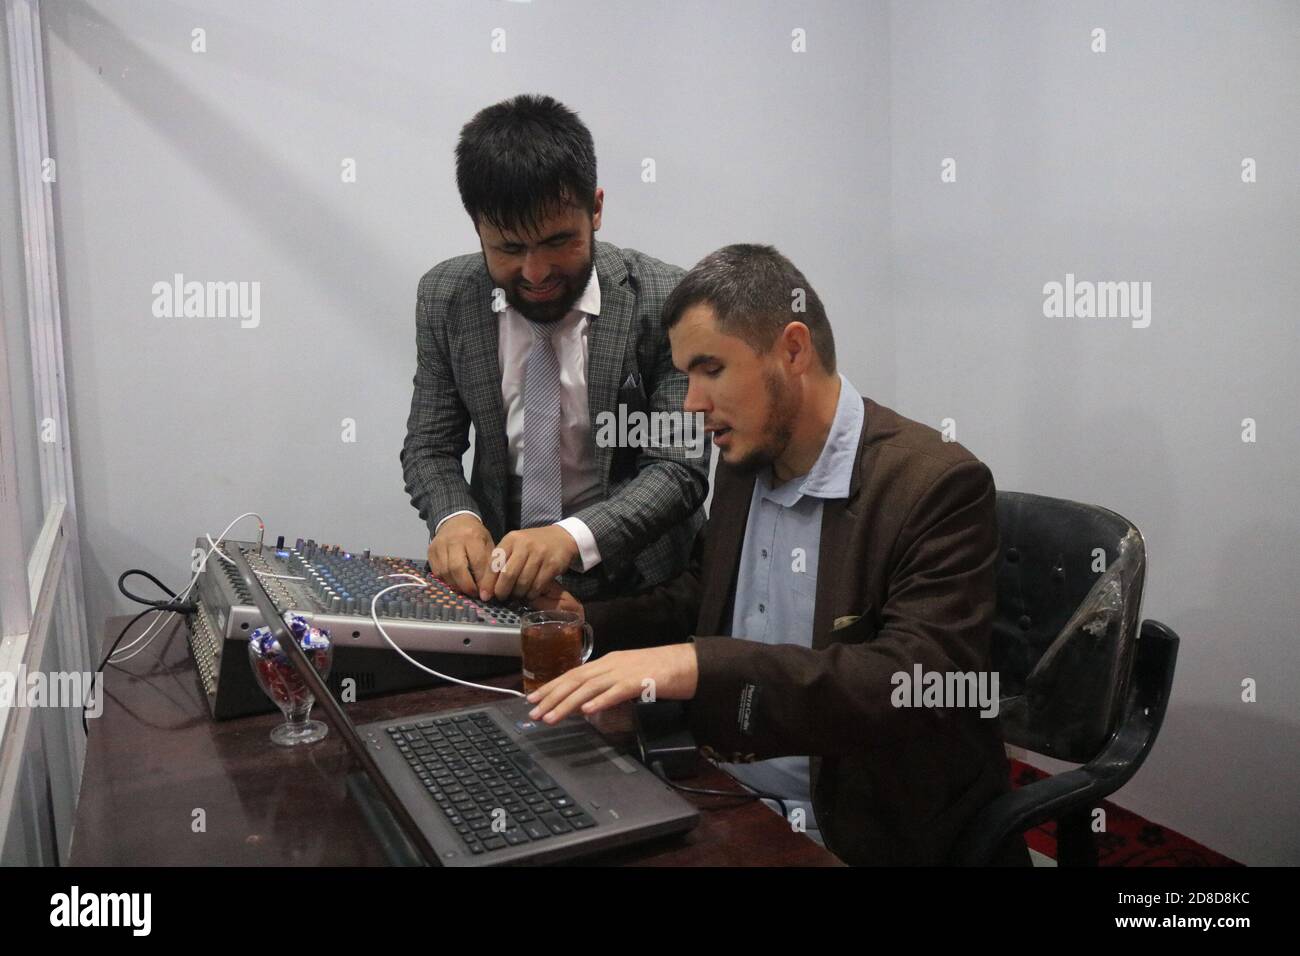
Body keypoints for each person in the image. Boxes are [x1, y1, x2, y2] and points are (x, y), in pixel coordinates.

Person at [526, 244, 1029, 866]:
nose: (690, 402)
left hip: (862, 829)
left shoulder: (934, 484)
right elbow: (699, 595)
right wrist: (586, 622)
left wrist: (702, 666)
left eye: (710, 369)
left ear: (792, 350)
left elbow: (915, 682)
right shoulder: (748, 460)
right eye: (686, 375)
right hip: (726, 790)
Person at [401, 94, 707, 603]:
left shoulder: (664, 298)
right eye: (510, 249)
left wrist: (571, 538)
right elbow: (430, 446)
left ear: (597, 210)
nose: (536, 272)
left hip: (646, 588)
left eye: (558, 241)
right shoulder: (445, 298)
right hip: (505, 585)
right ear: (477, 227)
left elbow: (677, 467)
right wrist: (455, 517)